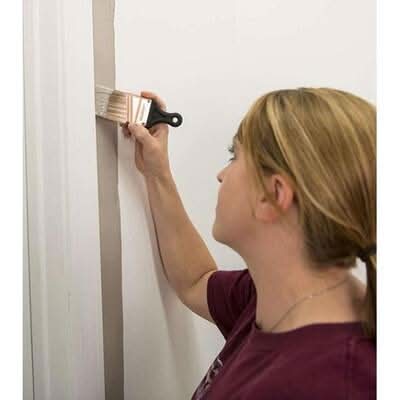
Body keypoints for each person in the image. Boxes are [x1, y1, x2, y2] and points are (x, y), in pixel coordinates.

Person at [121, 87, 376, 399]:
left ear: (274, 195)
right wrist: (157, 172)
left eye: (234, 156)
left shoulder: (334, 383)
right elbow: (194, 280)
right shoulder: (269, 298)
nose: (221, 175)